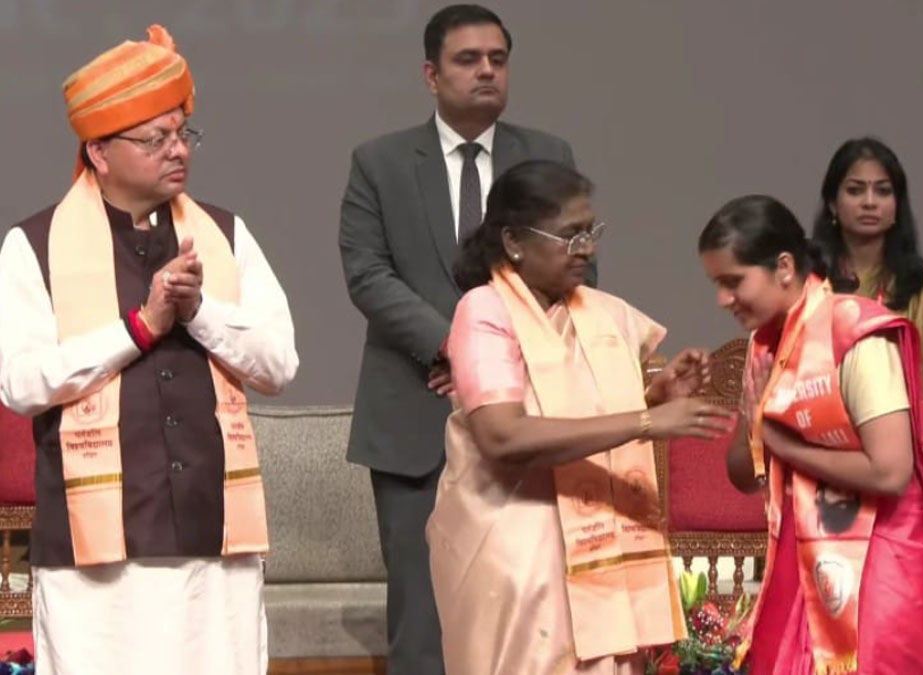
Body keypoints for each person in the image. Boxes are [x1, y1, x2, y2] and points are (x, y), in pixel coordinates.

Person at [0, 25, 298, 674]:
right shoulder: (33, 244)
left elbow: (279, 362)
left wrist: (198, 311)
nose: (177, 151)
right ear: (99, 151)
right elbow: (21, 383)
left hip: (212, 540)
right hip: (94, 555)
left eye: (182, 133)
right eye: (154, 138)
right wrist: (140, 325)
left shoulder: (224, 233)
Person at [337, 5, 578, 672]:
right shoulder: (379, 162)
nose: (486, 71)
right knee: (423, 621)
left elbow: (576, 272)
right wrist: (461, 350)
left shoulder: (548, 157)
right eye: (468, 60)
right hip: (415, 414)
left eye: (498, 59)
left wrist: (497, 363)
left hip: (528, 416)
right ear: (430, 74)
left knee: (527, 613)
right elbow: (367, 274)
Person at [428, 160, 731, 674]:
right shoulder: (485, 312)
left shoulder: (600, 312)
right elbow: (503, 435)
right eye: (569, 236)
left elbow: (584, 408)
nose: (587, 249)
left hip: (598, 544)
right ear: (515, 242)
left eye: (591, 232)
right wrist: (645, 422)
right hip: (516, 548)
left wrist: (653, 396)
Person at [698, 195, 923, 674]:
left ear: (784, 267)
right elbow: (745, 473)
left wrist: (783, 445)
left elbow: (889, 471)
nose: (722, 300)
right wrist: (758, 428)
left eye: (733, 282)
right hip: (800, 555)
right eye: (716, 285)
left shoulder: (856, 332)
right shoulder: (764, 345)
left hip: (881, 560)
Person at [811, 137, 923, 499]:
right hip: (825, 459)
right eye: (855, 190)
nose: (870, 202)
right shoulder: (809, 287)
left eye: (882, 191)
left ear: (897, 205)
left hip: (908, 465)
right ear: (832, 203)